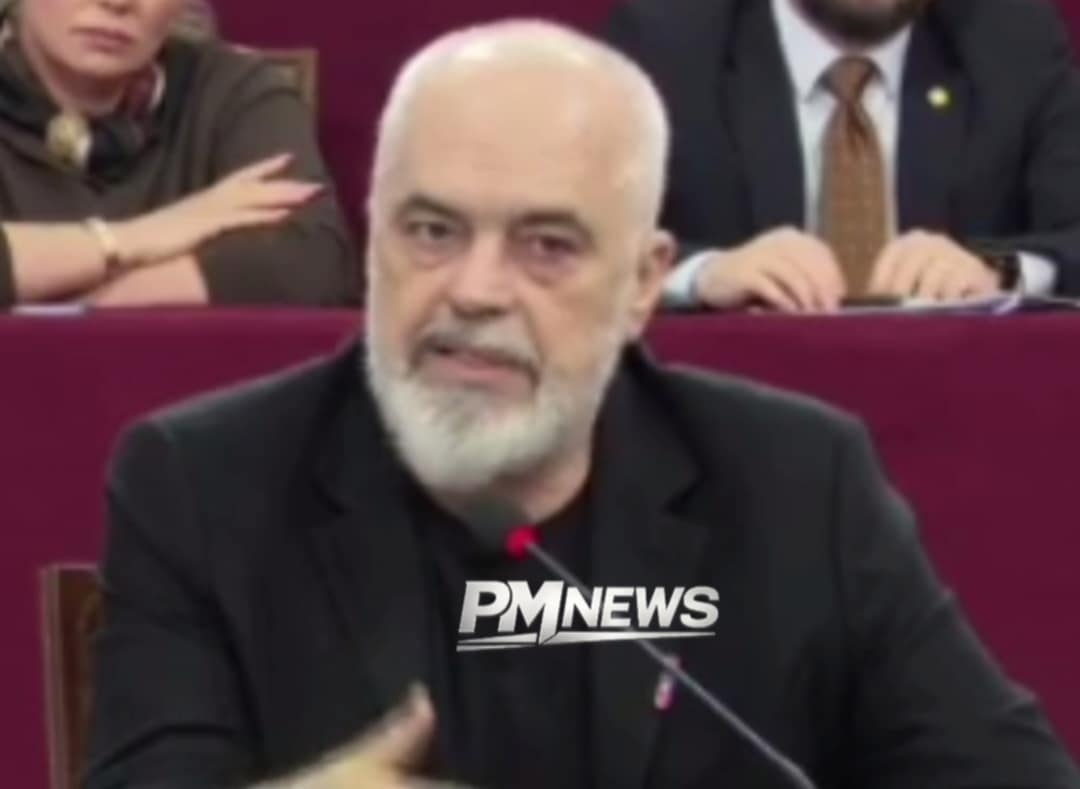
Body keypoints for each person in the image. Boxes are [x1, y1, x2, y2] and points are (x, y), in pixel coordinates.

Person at [86, 20, 1080, 789]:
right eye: (432, 230)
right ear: (373, 237)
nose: (476, 290)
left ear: (645, 281)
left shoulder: (797, 484)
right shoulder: (204, 486)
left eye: (547, 246)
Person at [602, 0, 1080, 312]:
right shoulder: (667, 43)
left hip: (953, 394)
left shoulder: (1013, 41)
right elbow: (590, 242)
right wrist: (703, 273)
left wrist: (997, 270)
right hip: (738, 403)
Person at [0, 0, 357, 308]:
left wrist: (78, 306)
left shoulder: (234, 89)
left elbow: (314, 261)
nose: (118, 3)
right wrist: (138, 236)